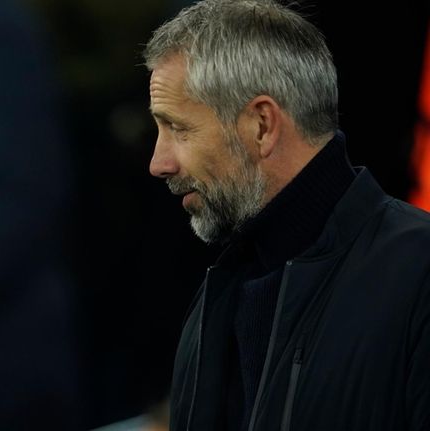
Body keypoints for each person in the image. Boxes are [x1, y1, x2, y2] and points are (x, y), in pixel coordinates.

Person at [143, 1, 430, 430]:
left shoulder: (420, 274)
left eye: (179, 129)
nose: (158, 162)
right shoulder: (218, 291)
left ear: (262, 125)